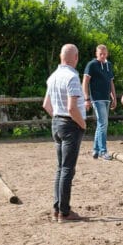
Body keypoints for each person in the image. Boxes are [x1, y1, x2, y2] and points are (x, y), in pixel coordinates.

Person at [42, 44, 88, 222]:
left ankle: (57, 209)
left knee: (61, 168)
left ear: (61, 57)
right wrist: (82, 124)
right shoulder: (72, 77)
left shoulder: (53, 76)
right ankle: (65, 212)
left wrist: (59, 119)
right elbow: (72, 107)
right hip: (70, 125)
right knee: (68, 169)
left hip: (57, 123)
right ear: (75, 57)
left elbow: (46, 105)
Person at [83, 44, 116, 160]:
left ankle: (96, 151)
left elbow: (111, 82)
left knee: (101, 124)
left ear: (107, 54)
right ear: (96, 54)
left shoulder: (109, 65)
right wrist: (86, 98)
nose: (102, 55)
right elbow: (85, 81)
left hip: (106, 98)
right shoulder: (91, 65)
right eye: (100, 54)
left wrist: (114, 98)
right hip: (96, 99)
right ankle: (103, 151)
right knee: (103, 123)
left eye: (104, 53)